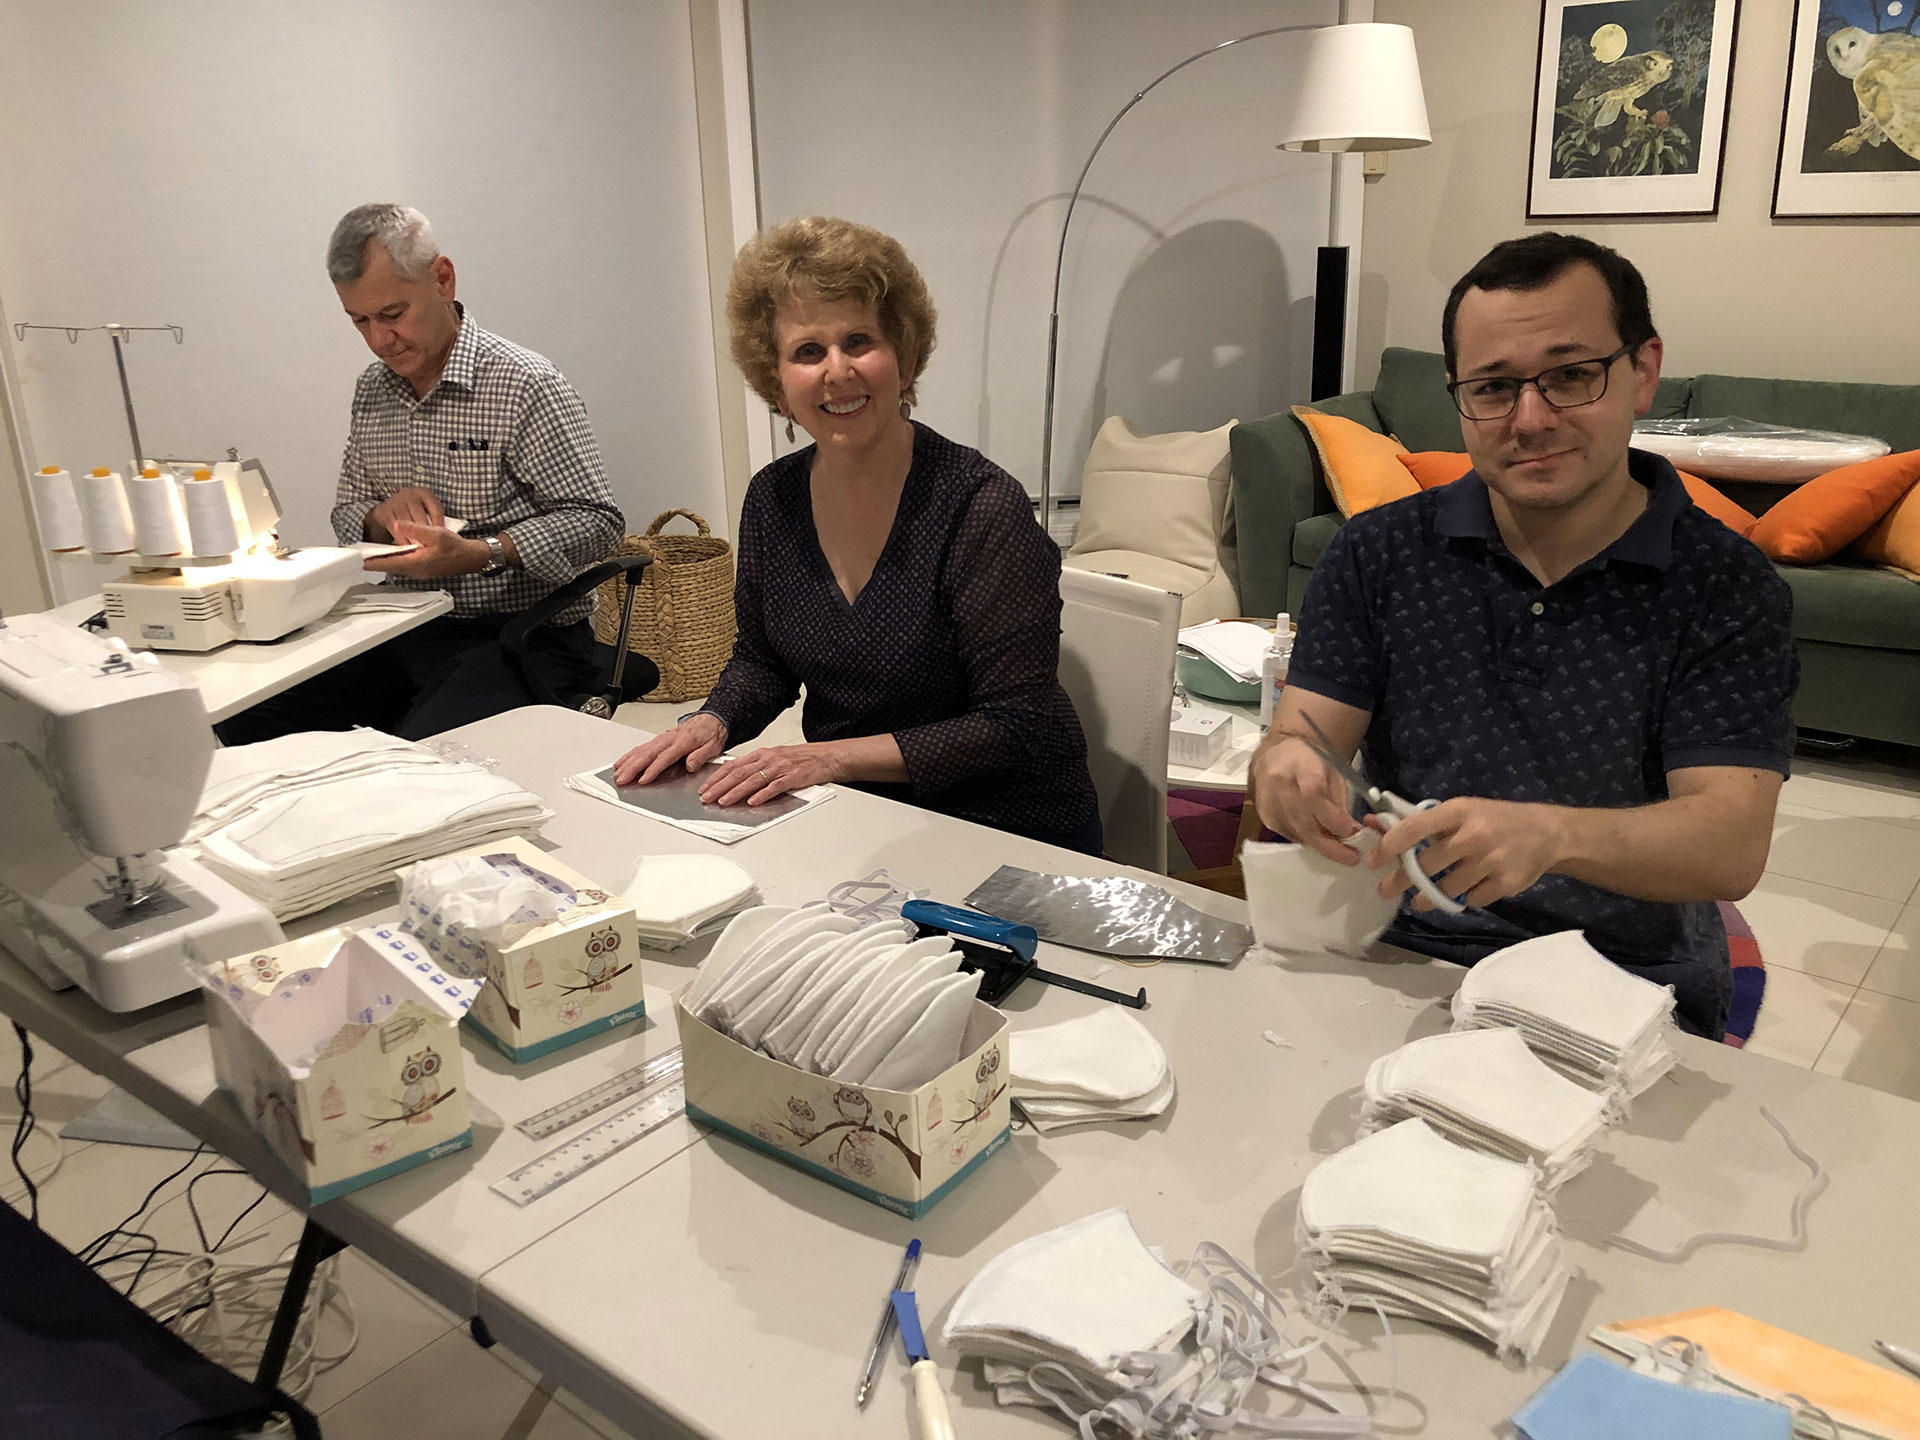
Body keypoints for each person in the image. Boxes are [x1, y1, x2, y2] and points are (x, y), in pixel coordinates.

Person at [1249, 233, 1798, 1039]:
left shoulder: (1725, 586)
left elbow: (1728, 847)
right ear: (1458, 396)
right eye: (1494, 387)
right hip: (1401, 947)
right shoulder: (1378, 552)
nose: (1530, 419)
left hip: (1627, 973)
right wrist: (1286, 769)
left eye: (1571, 375)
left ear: (1642, 372)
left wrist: (1551, 834)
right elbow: (1301, 735)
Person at [611, 216, 1102, 852]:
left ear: (906, 355)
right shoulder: (772, 498)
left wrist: (830, 759)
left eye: (859, 340)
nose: (837, 370)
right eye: (807, 351)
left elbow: (1015, 727)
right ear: (777, 383)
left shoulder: (981, 506)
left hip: (1008, 825)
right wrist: (713, 720)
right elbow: (763, 662)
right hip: (858, 816)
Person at [215, 203, 624, 744]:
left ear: (443, 279)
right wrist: (379, 518)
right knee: (249, 713)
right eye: (359, 321)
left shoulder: (523, 383)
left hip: (522, 633)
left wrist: (483, 554)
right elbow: (346, 515)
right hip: (403, 625)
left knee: (421, 757)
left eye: (392, 313)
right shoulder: (373, 390)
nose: (379, 340)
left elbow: (598, 522)